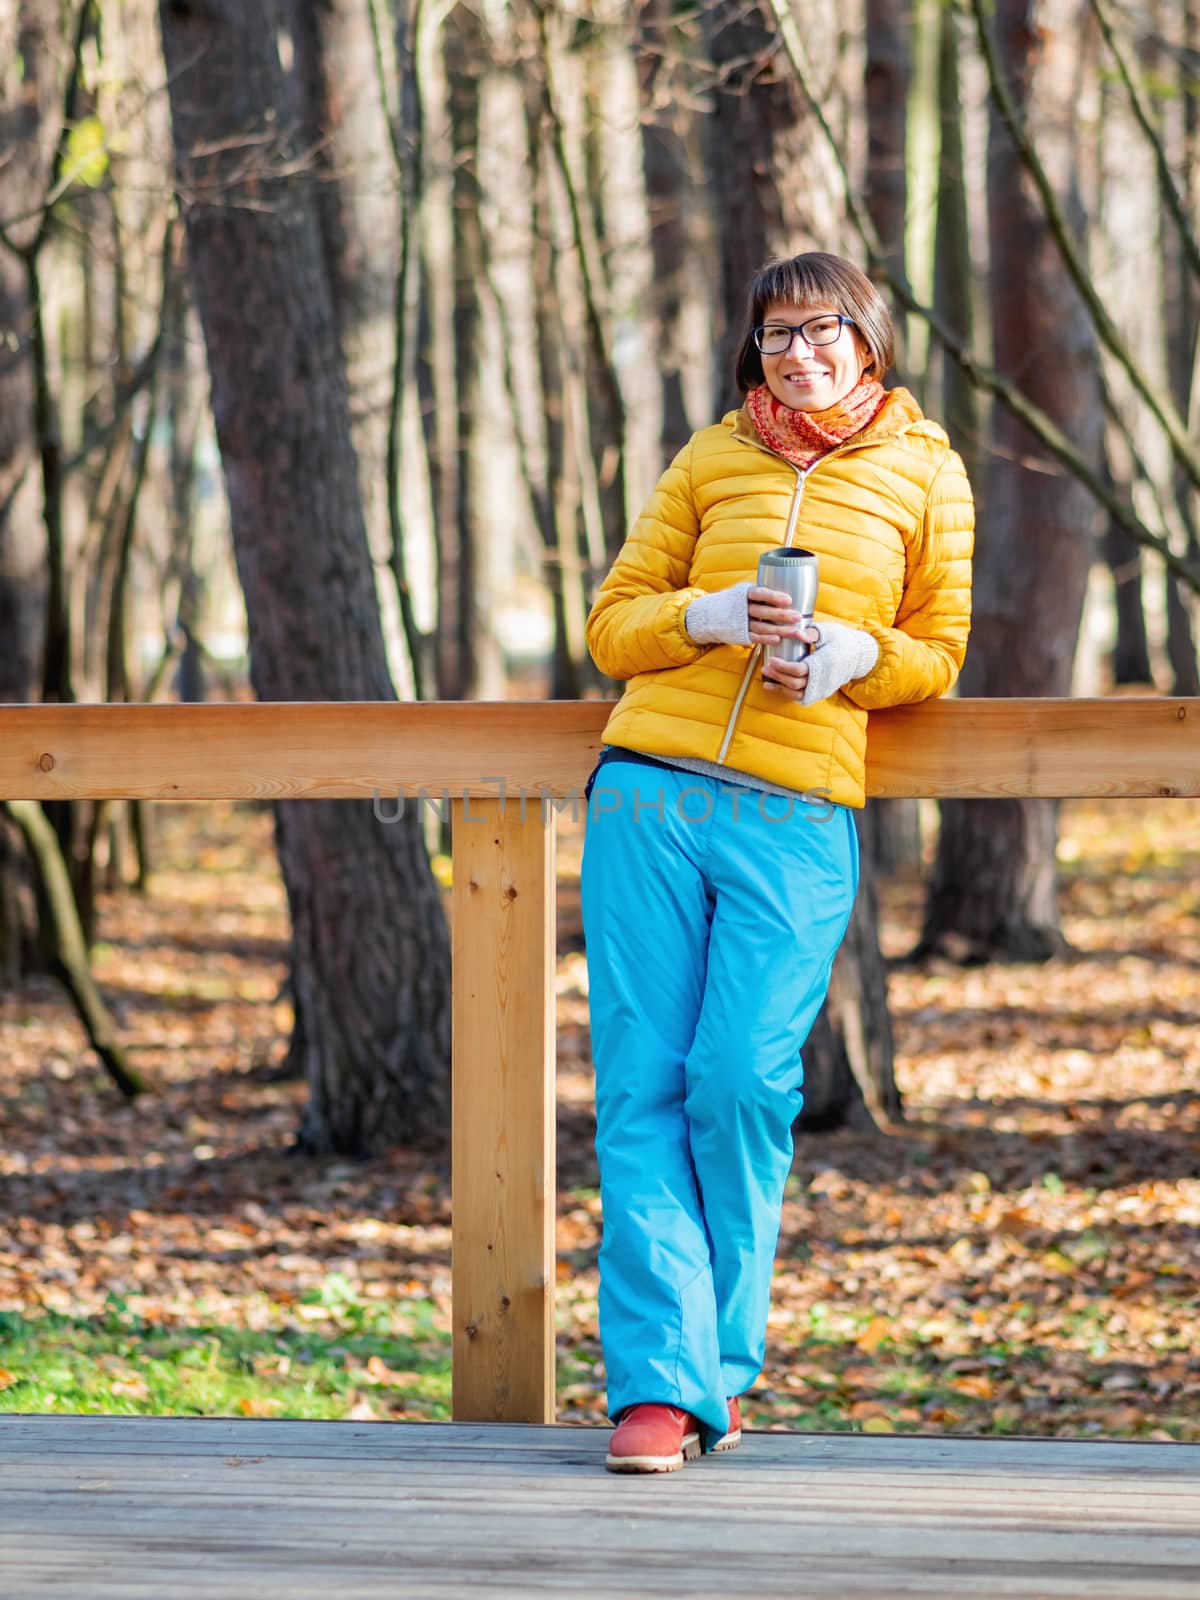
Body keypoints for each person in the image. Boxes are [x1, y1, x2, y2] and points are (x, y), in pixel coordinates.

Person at [579, 251, 974, 1473]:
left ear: (869, 338)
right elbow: (611, 624)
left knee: (740, 1083)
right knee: (640, 1087)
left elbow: (939, 649)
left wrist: (857, 653)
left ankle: (720, 1368)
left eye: (820, 330)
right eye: (773, 336)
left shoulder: (926, 470)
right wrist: (703, 616)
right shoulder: (710, 458)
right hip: (648, 794)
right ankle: (662, 1388)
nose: (795, 353)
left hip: (798, 812)